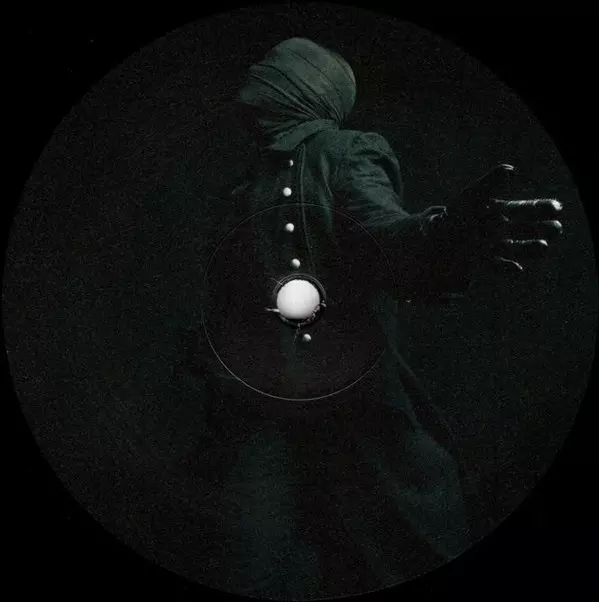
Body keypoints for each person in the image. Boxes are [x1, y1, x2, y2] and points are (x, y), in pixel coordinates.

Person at [191, 37, 562, 600]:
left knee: (395, 556)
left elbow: (386, 237)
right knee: (250, 567)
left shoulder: (342, 154)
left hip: (352, 410)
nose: (255, 69)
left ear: (307, 85)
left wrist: (446, 235)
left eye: (272, 64)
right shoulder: (241, 186)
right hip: (259, 415)